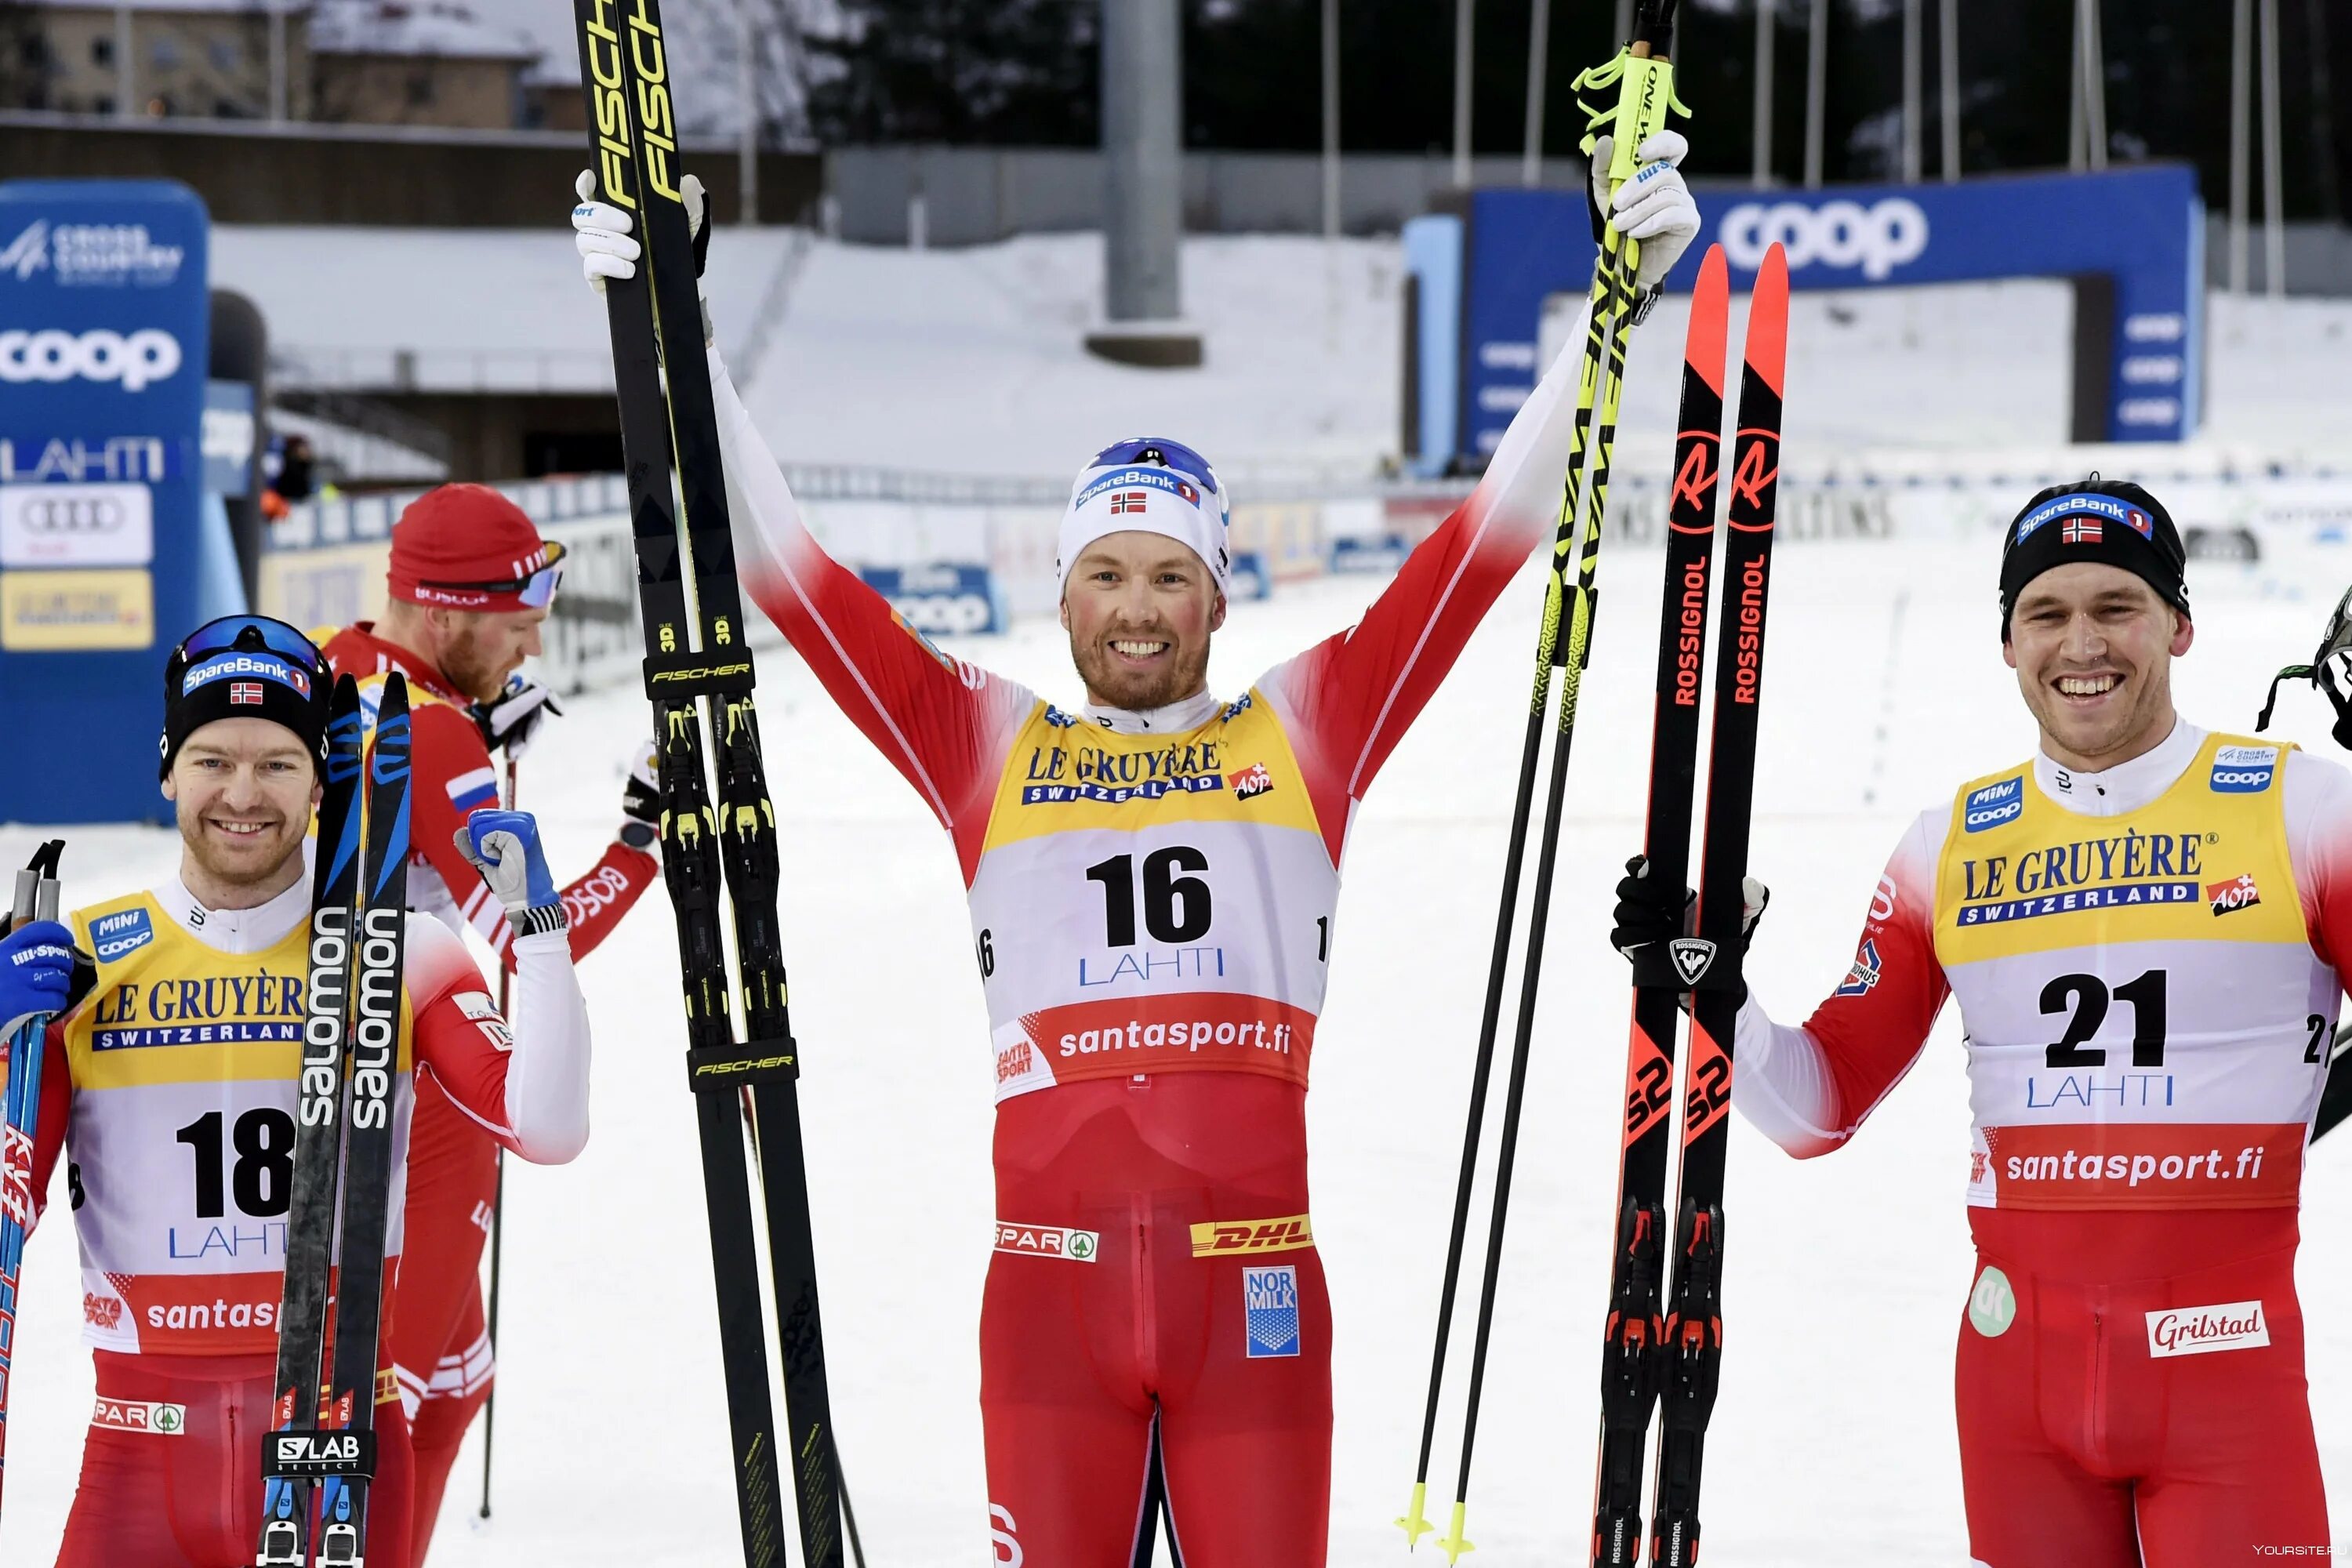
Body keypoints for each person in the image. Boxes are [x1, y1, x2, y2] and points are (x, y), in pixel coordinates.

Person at [569, 133, 1701, 1559]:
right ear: (1064, 595)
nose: (1138, 608)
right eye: (1106, 574)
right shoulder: (981, 739)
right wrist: (682, 332)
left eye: (1173, 575)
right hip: (1049, 1312)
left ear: (1219, 598)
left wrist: (1615, 310)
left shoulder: (1309, 729)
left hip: (1258, 1303)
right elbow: (786, 568)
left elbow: (1487, 538)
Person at [1612, 478, 2341, 1566]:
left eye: (2117, 607)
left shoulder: (2303, 811)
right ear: (2007, 640)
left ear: (2180, 625)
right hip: (2015, 1385)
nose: (2082, 644)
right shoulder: (1949, 843)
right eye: (2047, 614)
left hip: (2226, 1374)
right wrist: (1713, 995)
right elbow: (1819, 1106)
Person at [0, 613, 594, 1567]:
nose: (243, 793)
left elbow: (550, 1124)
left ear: (323, 781)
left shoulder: (403, 954)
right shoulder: (81, 964)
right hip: (139, 1451)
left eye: (278, 762)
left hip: (346, 1449)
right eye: (212, 759)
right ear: (168, 770)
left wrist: (541, 927)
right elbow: (7, 1208)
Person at [319, 483, 659, 1553]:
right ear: (447, 611)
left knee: (461, 1379)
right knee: (387, 1413)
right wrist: (642, 844)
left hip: (364, 1065)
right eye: (518, 619)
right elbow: (536, 939)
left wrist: (468, 717)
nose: (536, 639)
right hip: (421, 1098)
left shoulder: (339, 667)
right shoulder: (429, 731)